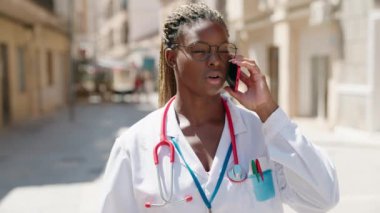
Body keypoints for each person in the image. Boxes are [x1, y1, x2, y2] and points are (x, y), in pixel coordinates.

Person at [99, 3, 339, 213]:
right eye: (200, 51)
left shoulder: (263, 133)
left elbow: (323, 198)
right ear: (172, 58)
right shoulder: (134, 146)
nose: (215, 60)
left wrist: (268, 110)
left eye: (223, 51)